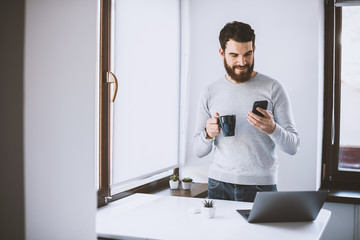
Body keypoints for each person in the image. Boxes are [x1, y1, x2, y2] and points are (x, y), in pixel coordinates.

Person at [193, 21, 300, 202]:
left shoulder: (273, 88)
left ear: (254, 49)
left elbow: (293, 147)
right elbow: (198, 149)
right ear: (222, 53)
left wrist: (272, 129)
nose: (242, 62)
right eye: (234, 55)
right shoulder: (210, 91)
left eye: (248, 54)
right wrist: (207, 134)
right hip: (218, 184)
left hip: (261, 187)